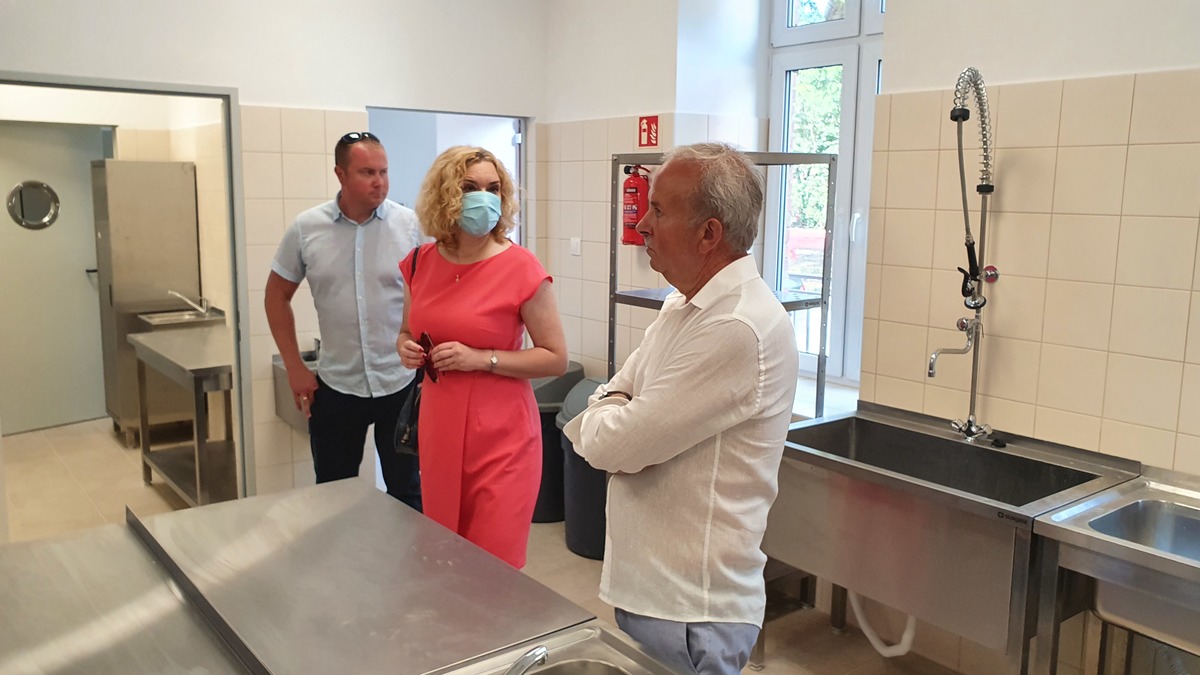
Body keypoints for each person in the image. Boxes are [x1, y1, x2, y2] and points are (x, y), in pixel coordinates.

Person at [563, 142, 799, 675]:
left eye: (659, 211)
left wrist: (617, 412)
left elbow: (612, 445)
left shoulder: (736, 327)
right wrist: (618, 406)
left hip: (693, 611)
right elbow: (618, 396)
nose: (642, 225)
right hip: (657, 595)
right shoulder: (683, 305)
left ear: (708, 234)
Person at [397, 146, 567, 569]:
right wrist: (405, 347)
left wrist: (482, 358)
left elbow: (555, 358)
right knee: (445, 558)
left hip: (502, 436)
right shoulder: (419, 263)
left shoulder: (521, 267)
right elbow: (406, 331)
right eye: (470, 187)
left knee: (494, 566)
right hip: (439, 427)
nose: (484, 198)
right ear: (446, 194)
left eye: (493, 189)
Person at [265, 131, 423, 509]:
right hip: (337, 386)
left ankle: (406, 551)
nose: (379, 182)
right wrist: (294, 368)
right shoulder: (307, 228)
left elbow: (434, 296)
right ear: (340, 174)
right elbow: (275, 297)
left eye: (384, 172)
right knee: (333, 496)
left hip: (400, 383)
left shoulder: (411, 227)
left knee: (408, 493)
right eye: (367, 172)